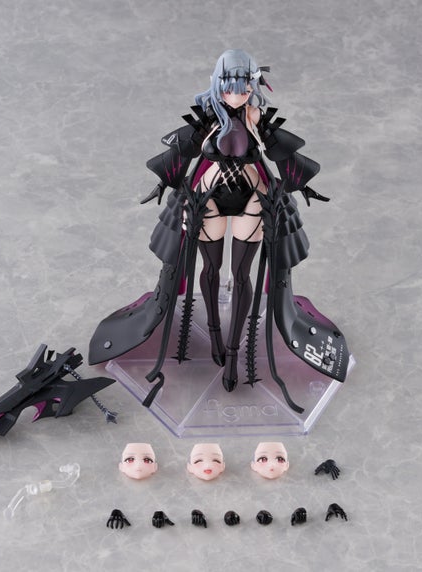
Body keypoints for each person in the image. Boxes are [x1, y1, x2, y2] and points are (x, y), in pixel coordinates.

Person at [89, 50, 350, 413]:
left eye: (244, 87)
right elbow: (181, 153)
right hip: (207, 196)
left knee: (242, 274)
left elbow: (283, 155)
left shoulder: (256, 117)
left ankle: (233, 351)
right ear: (218, 84)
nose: (237, 95)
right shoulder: (208, 117)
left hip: (253, 194)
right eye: (230, 87)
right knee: (209, 269)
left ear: (253, 85)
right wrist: (165, 181)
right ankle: (214, 333)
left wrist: (301, 184)